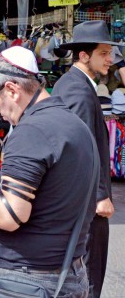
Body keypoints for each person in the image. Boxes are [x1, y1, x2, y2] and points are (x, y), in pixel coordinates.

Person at [0, 46, 97, 298]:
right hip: (69, 272)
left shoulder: (31, 131)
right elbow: (56, 192)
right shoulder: (74, 124)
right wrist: (2, 189)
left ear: (12, 90)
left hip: (28, 281)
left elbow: (9, 215)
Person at [52, 20, 116, 298]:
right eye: (104, 53)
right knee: (88, 274)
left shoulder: (74, 84)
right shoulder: (77, 89)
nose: (110, 59)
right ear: (83, 55)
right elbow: (81, 149)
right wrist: (100, 195)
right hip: (86, 204)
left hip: (79, 202)